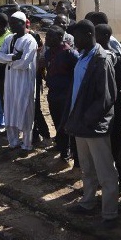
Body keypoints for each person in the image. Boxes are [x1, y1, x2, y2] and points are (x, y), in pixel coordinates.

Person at [63, 20, 119, 230]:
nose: (73, 41)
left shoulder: (101, 59)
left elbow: (106, 97)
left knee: (105, 172)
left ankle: (110, 213)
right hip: (81, 123)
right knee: (87, 168)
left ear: (88, 34)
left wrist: (87, 119)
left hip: (94, 126)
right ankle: (88, 202)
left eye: (76, 37)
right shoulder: (84, 56)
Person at [95, 24, 121, 194]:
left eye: (98, 35)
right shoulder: (98, 55)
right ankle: (109, 178)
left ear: (106, 36)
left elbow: (118, 85)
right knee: (105, 146)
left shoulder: (115, 57)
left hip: (114, 108)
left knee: (116, 145)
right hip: (104, 108)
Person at [0, 11, 37, 150]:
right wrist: (13, 58)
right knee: (10, 110)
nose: (12, 26)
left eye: (14, 23)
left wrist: (9, 62)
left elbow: (24, 63)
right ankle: (13, 142)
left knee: (25, 110)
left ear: (23, 23)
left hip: (24, 81)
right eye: (10, 23)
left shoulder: (30, 40)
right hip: (10, 81)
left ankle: (27, 145)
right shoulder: (9, 39)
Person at [44, 26, 79, 165]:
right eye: (46, 36)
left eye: (49, 37)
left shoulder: (69, 54)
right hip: (53, 94)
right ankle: (61, 146)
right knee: (56, 121)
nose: (46, 39)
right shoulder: (48, 53)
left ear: (59, 38)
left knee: (66, 124)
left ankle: (67, 151)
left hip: (66, 96)